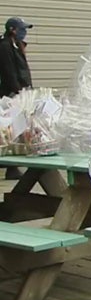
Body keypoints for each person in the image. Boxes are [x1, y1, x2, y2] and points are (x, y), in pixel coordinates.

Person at [0, 17, 33, 180]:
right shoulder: (5, 46)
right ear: (13, 30)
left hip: (19, 92)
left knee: (16, 129)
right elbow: (9, 72)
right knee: (9, 130)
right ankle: (10, 166)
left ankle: (11, 166)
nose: (24, 32)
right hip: (9, 95)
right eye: (22, 29)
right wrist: (18, 91)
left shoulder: (17, 46)